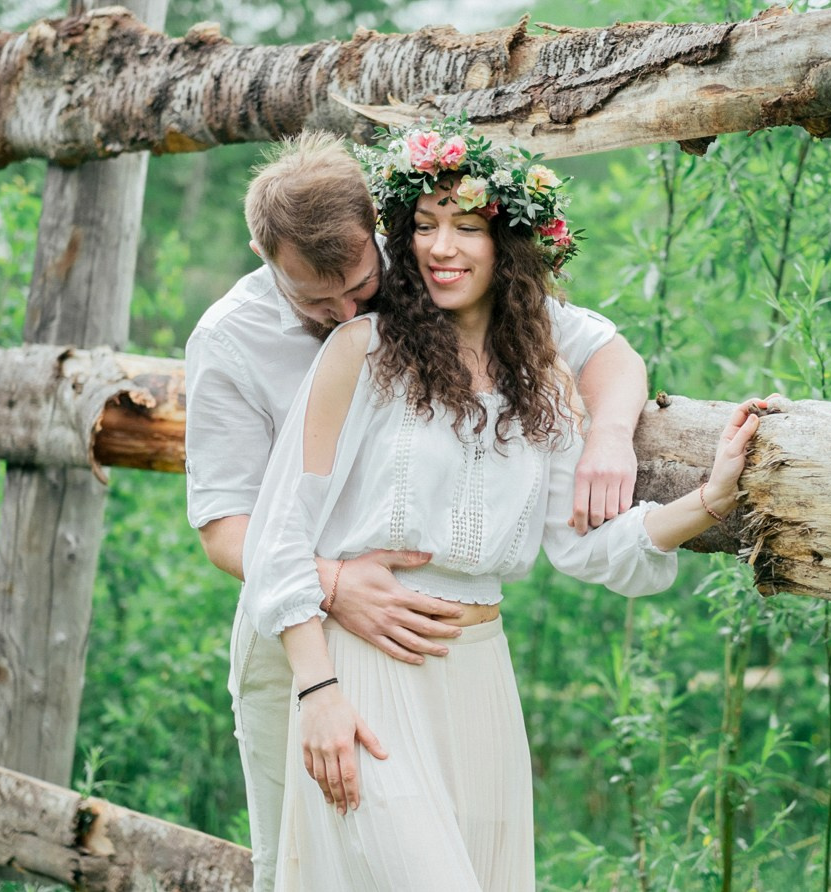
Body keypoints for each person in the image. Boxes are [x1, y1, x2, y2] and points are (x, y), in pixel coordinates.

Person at [238, 117, 767, 889]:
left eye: (466, 227)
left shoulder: (541, 378)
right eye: (424, 226)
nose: (440, 247)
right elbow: (277, 538)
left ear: (508, 242)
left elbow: (582, 545)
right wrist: (317, 692)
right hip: (367, 673)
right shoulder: (361, 353)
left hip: (481, 678)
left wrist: (710, 501)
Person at [184, 131, 649, 890]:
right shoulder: (230, 338)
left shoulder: (427, 270)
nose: (344, 310)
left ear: (374, 228)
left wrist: (608, 435)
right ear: (262, 253)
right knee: (296, 863)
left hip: (440, 656)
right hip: (296, 636)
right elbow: (224, 527)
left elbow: (604, 352)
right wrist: (336, 582)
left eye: (358, 286)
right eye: (315, 299)